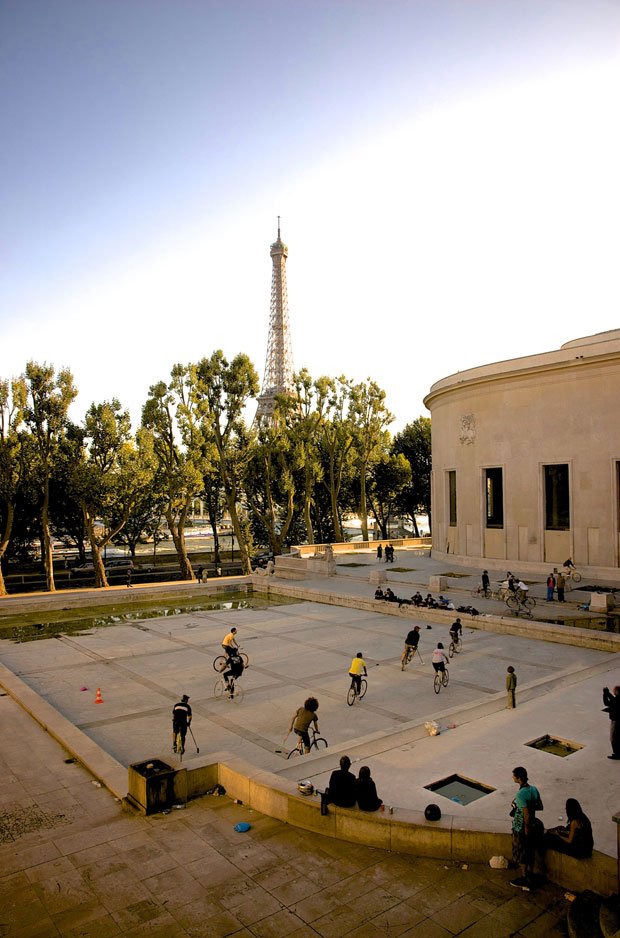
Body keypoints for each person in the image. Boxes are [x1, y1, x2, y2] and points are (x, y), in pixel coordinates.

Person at [509, 766, 544, 891]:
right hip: (533, 824)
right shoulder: (533, 789)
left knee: (522, 852)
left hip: (521, 826)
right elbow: (540, 806)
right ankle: (530, 874)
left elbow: (525, 813)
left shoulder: (520, 794)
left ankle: (524, 877)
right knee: (530, 851)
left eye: (514, 776)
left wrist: (526, 827)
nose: (512, 777)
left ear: (518, 778)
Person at [602, 685, 620, 759]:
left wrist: (605, 694)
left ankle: (617, 754)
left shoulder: (615, 700)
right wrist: (608, 694)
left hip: (616, 721)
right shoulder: (617, 699)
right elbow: (613, 699)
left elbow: (607, 703)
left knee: (613, 738)